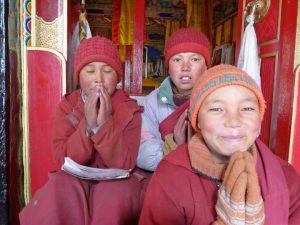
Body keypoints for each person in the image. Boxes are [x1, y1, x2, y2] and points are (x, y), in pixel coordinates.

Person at [138, 64, 300, 225]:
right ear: (197, 120)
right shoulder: (171, 176)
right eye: (216, 109)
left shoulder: (286, 177)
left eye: (248, 108)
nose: (234, 121)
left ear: (260, 117)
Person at [19, 36, 145, 225]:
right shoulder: (68, 105)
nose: (99, 79)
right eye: (90, 70)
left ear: (117, 77)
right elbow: (62, 158)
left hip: (116, 179)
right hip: (75, 176)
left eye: (108, 71)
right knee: (60, 187)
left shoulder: (129, 109)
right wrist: (87, 124)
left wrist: (103, 125)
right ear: (79, 76)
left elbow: (124, 163)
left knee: (114, 195)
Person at [137, 28, 211, 172]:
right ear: (168, 67)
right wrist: (175, 144)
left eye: (194, 59)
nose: (185, 67)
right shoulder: (151, 103)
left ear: (206, 66)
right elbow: (143, 155)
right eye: (177, 59)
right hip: (167, 176)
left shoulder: (217, 100)